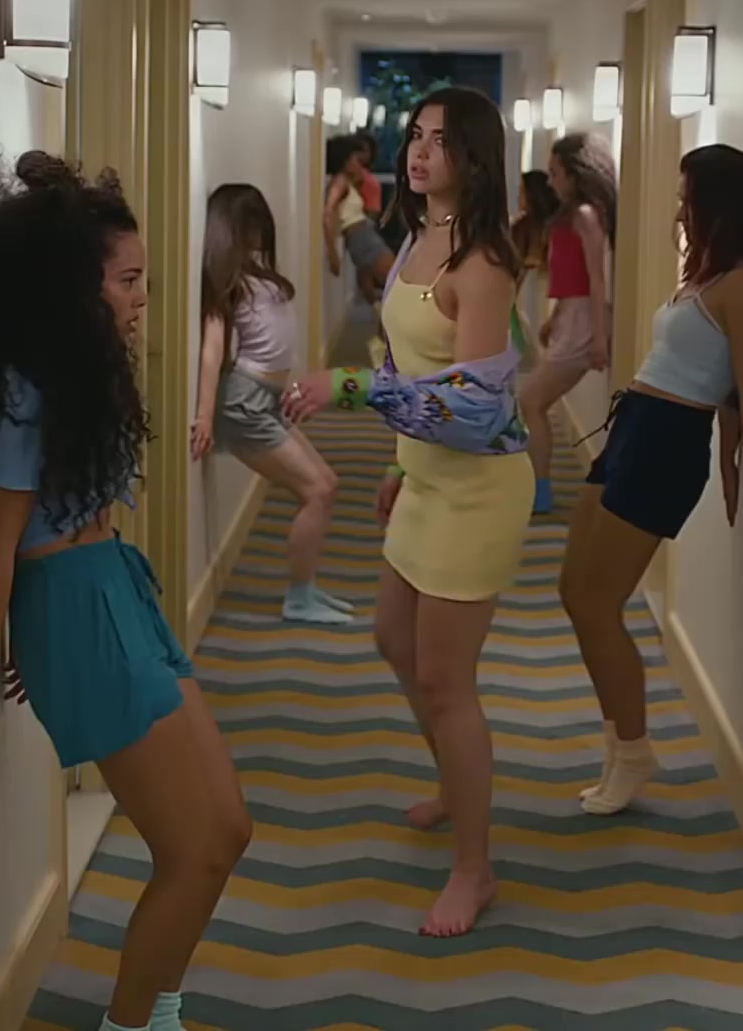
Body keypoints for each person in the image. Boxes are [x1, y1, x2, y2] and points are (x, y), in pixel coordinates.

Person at [0, 150, 251, 1031]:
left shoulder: (80, 369)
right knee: (193, 850)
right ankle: (136, 1025)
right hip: (75, 611)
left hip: (113, 589)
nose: (143, 297)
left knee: (226, 831)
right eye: (128, 280)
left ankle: (156, 1015)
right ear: (71, 288)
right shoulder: (20, 390)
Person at [282, 87, 532, 938]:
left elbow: (472, 407)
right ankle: (456, 785)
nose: (420, 152)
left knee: (444, 681)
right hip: (426, 478)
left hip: (478, 488)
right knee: (394, 640)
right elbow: (406, 360)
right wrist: (398, 462)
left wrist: (348, 387)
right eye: (416, 136)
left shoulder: (483, 263)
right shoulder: (419, 236)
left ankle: (475, 868)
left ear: (475, 158)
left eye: (441, 140)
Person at [558, 144, 743, 816]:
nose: (679, 211)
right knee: (573, 593)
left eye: (688, 199)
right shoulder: (704, 274)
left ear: (721, 206)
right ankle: (619, 745)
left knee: (599, 606)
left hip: (667, 443)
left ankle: (633, 753)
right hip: (634, 427)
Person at [189, 183, 352, 625]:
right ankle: (299, 597)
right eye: (251, 223)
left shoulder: (255, 272)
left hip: (266, 398)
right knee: (317, 490)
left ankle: (307, 589)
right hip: (244, 402)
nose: (260, 231)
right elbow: (212, 350)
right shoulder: (226, 282)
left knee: (326, 484)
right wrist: (204, 415)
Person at [520, 133, 616, 514]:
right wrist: (555, 316)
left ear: (576, 175)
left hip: (583, 322)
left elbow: (595, 279)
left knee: (530, 401)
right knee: (532, 402)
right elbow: (570, 276)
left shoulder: (586, 216)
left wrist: (599, 338)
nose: (550, 182)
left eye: (556, 173)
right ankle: (538, 486)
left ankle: (540, 488)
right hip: (571, 317)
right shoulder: (568, 216)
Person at [324, 134, 396, 290]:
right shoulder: (339, 182)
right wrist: (332, 252)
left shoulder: (347, 181)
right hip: (361, 237)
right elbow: (328, 213)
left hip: (363, 235)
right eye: (356, 160)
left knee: (391, 279)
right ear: (345, 160)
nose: (360, 165)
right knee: (394, 279)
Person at [511, 169, 559, 274]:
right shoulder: (520, 225)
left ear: (532, 194)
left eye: (522, 191)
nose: (518, 196)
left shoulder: (550, 227)